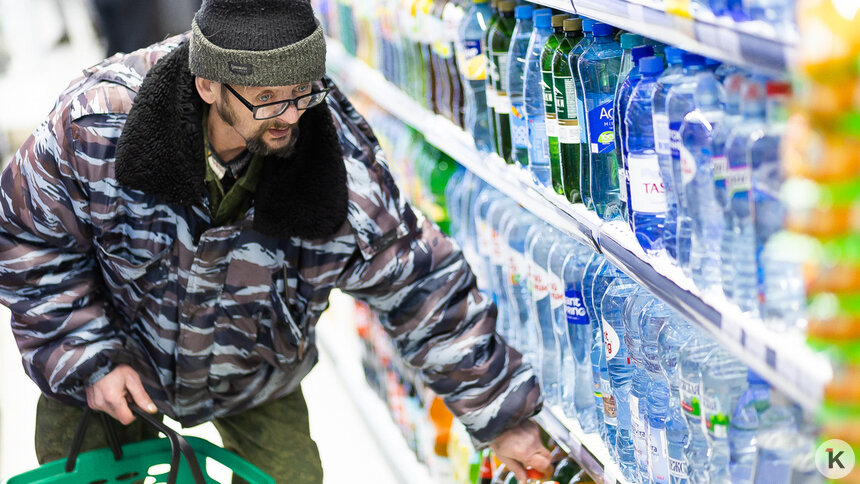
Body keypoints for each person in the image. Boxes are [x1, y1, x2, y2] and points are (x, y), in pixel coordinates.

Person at [0, 0, 552, 482]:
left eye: (301, 91)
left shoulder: (337, 164)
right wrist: (88, 356)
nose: (289, 116)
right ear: (209, 84)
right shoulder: (98, 126)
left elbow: (418, 283)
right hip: (114, 347)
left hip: (253, 370)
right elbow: (30, 242)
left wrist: (501, 415)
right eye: (266, 97)